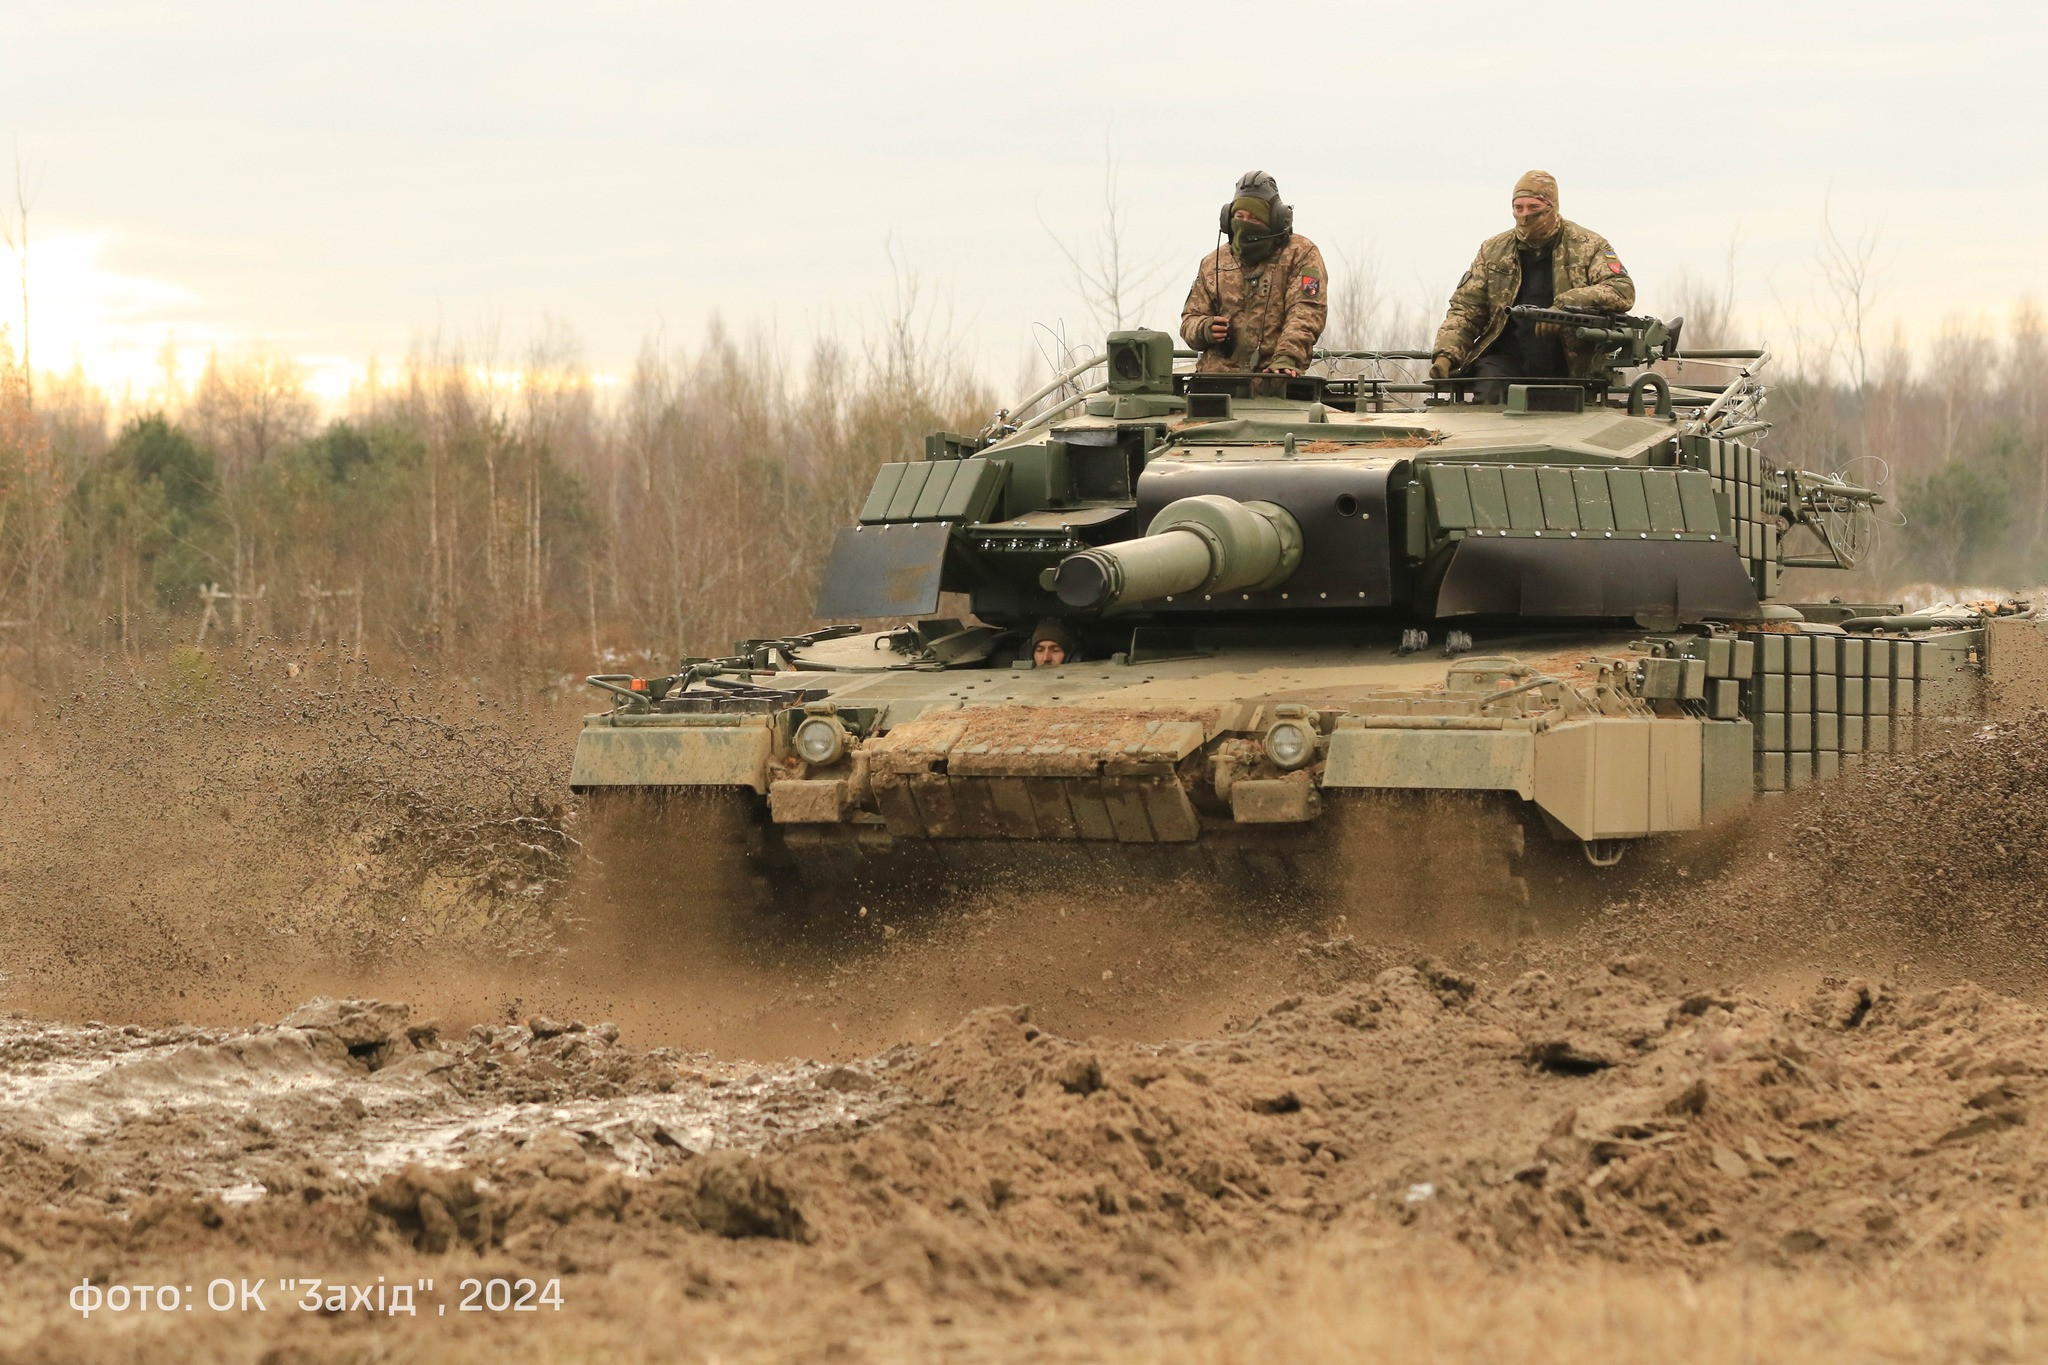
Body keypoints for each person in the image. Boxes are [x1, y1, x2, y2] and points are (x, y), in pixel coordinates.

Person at [1429, 171, 1635, 400]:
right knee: (1488, 400)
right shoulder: (1493, 250)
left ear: (1552, 206)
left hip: (1570, 364)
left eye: (1533, 207)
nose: (1525, 215)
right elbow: (1466, 310)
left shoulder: (1588, 245)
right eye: (1519, 208)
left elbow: (1621, 289)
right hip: (1507, 360)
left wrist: (1565, 306)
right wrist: (1446, 354)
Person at [1180, 171, 1328, 377]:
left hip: (1275, 379)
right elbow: (1189, 320)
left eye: (1254, 218)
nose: (1244, 224)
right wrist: (1205, 329)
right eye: (1239, 217)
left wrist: (1288, 357)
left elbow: (1306, 312)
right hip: (1216, 383)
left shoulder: (1300, 253)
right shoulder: (1213, 263)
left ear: (1275, 221)